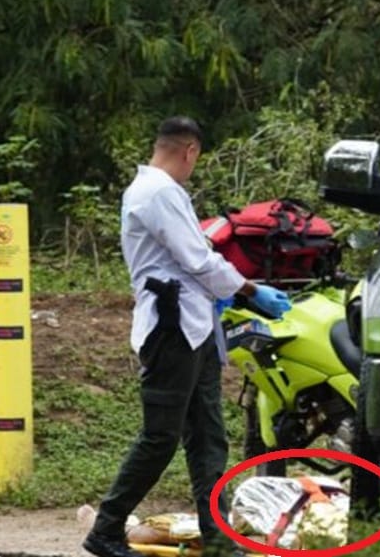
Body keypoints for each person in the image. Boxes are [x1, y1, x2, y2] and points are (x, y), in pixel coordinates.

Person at [82, 116, 291, 557]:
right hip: (171, 330)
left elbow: (192, 263)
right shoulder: (158, 192)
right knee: (161, 436)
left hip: (193, 327)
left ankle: (218, 540)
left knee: (208, 436)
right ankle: (105, 530)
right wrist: (251, 290)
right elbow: (198, 260)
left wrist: (229, 294)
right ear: (190, 150)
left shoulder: (156, 191)